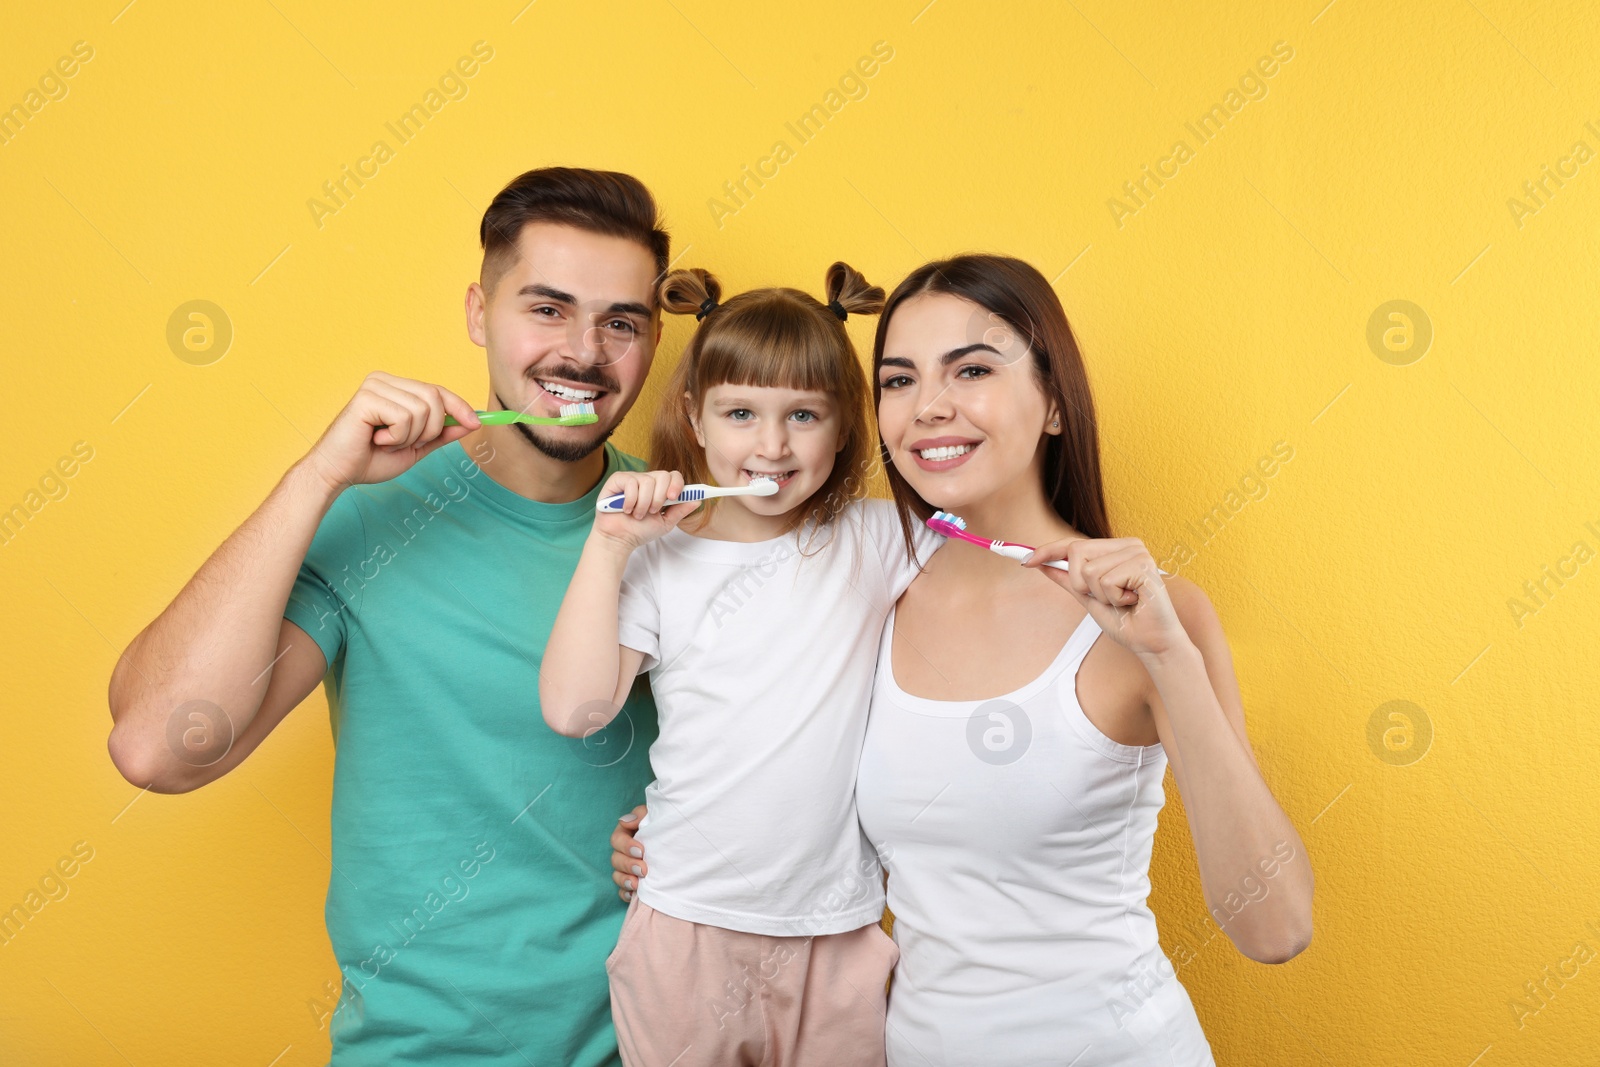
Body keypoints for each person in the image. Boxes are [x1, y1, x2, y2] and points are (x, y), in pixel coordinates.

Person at [611, 254, 1314, 1066]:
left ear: (1054, 402)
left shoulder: (1153, 615)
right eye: (900, 380)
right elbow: (767, 738)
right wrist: (676, 844)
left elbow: (1277, 928)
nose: (930, 408)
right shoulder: (871, 581)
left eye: (972, 369)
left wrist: (1170, 660)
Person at [107, 167, 675, 1066]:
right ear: (478, 315)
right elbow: (156, 749)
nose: (584, 352)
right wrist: (316, 480)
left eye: (622, 322)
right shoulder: (373, 518)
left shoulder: (681, 529)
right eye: (546, 308)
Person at [541, 263, 940, 1066]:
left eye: (803, 413)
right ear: (694, 415)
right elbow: (575, 710)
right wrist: (608, 546)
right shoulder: (658, 561)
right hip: (685, 929)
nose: (771, 444)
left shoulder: (878, 537)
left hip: (837, 932)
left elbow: (1006, 570)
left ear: (844, 423)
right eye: (739, 412)